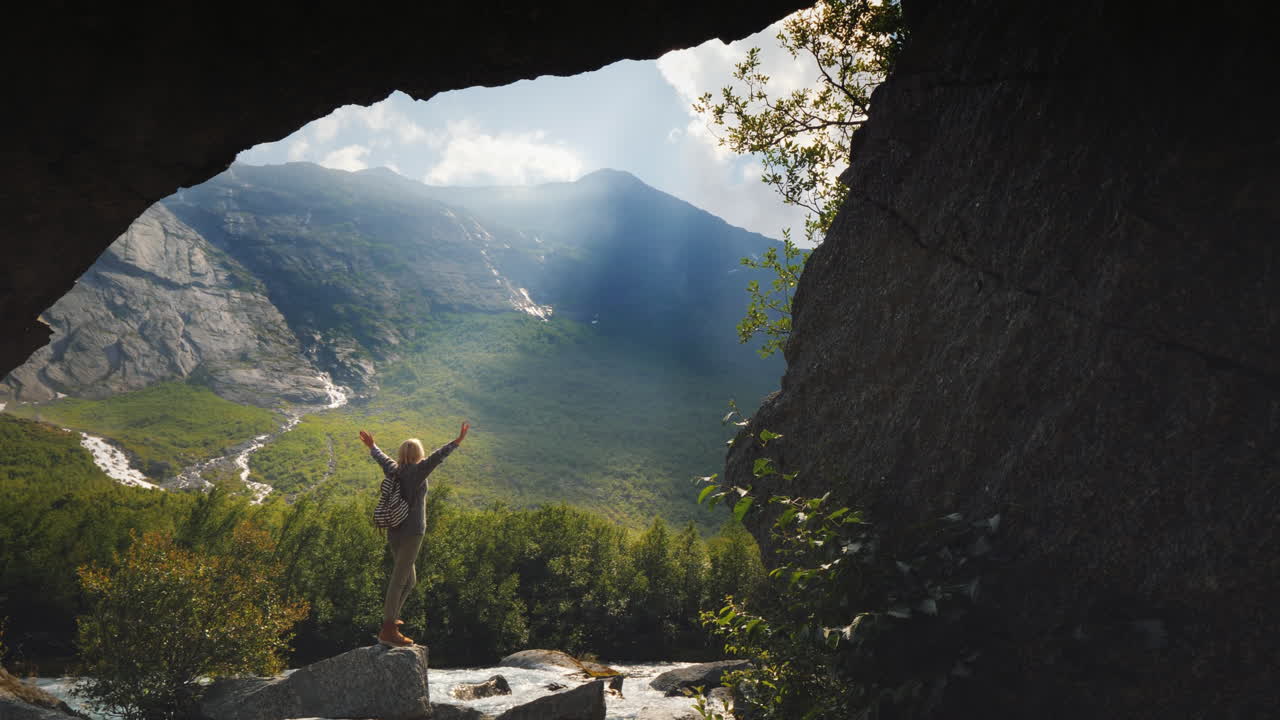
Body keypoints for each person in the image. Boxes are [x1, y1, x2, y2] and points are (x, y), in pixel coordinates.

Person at [359, 421, 469, 647]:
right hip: (412, 533)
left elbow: (381, 458)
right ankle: (388, 630)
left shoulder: (394, 469)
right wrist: (456, 442)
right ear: (418, 454)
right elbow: (437, 457)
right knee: (399, 580)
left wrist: (372, 446)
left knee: (410, 581)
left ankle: (391, 624)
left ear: (401, 453)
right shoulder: (418, 471)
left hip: (394, 531)